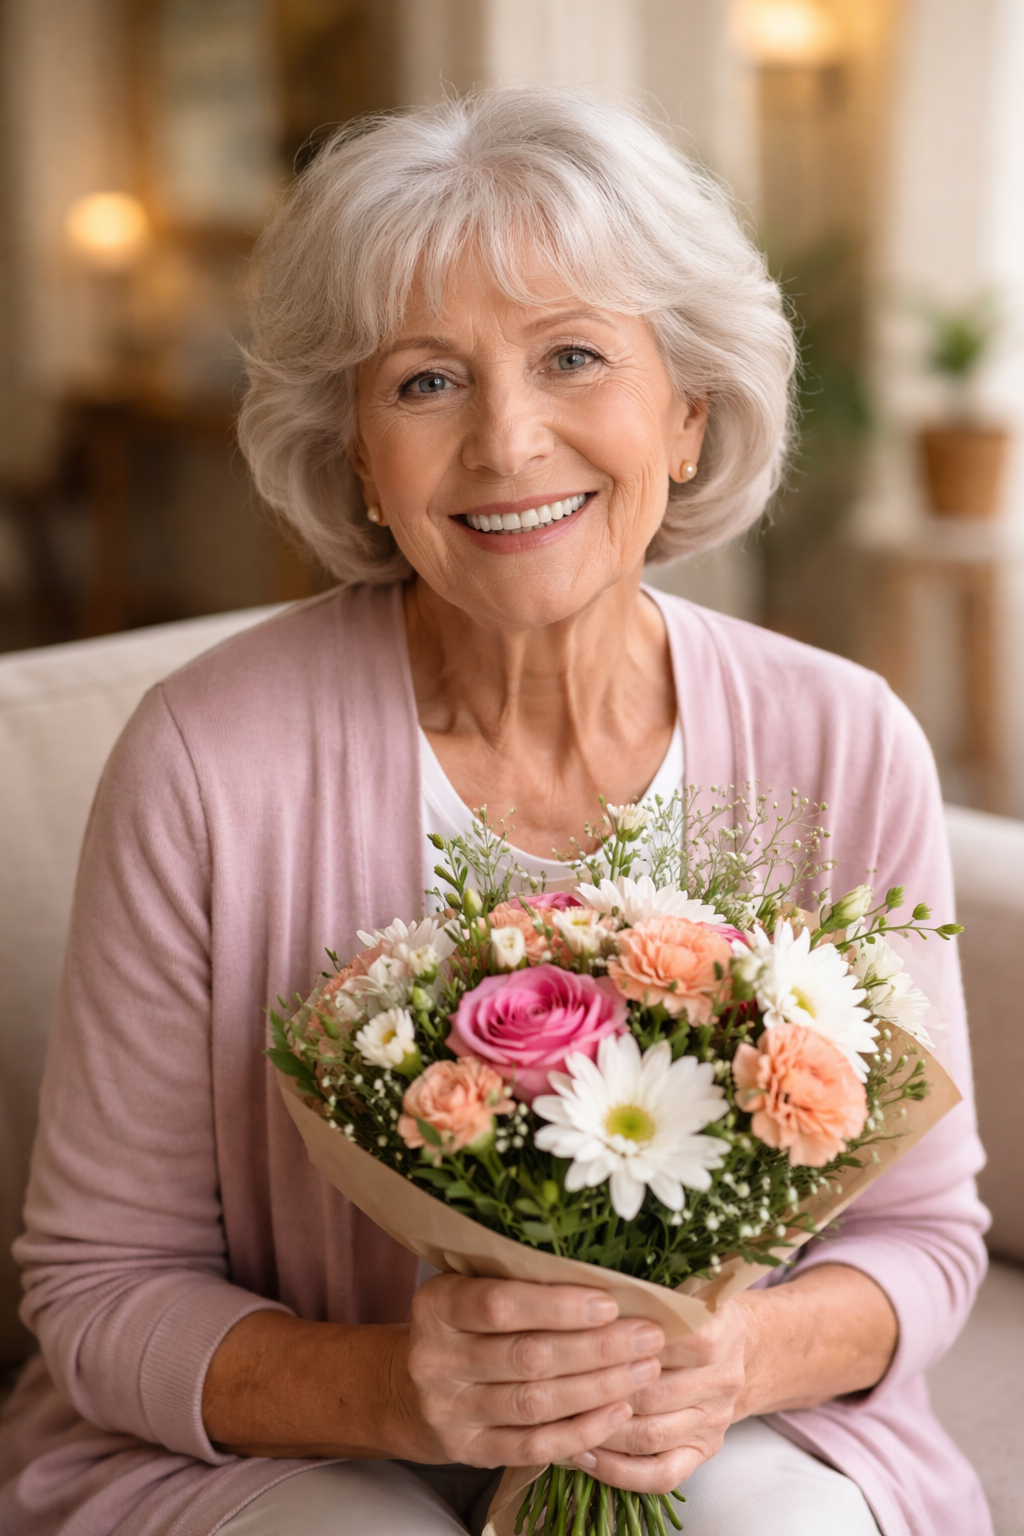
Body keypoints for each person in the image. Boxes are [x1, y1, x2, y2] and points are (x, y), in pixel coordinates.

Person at [0, 90, 990, 1536]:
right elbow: (99, 1287)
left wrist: (727, 1359)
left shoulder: (841, 738)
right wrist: (400, 1391)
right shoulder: (204, 760)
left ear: (691, 414)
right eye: (424, 383)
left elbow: (924, 1240)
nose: (508, 442)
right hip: (299, 1445)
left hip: (713, 1430)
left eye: (574, 357)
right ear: (355, 454)